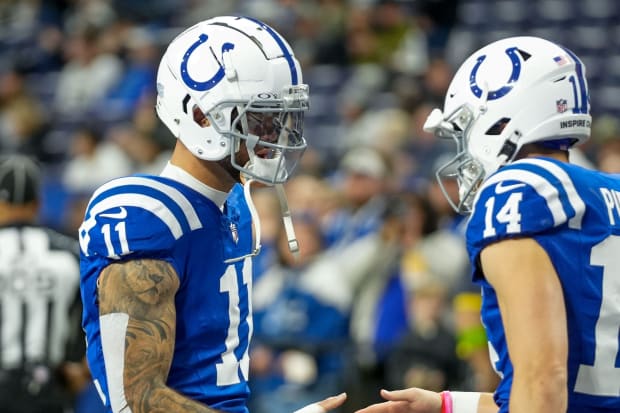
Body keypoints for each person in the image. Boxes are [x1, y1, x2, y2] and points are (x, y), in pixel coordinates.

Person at [78, 16, 346, 413]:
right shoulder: (147, 217)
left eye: (280, 119)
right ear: (201, 115)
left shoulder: (236, 205)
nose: (273, 136)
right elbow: (135, 399)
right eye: (260, 119)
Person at [356, 36, 620, 413]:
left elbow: (544, 383)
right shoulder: (609, 191)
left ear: (502, 121)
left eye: (463, 131)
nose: (462, 150)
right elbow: (571, 392)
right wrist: (446, 405)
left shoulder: (517, 190)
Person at [0, 155, 84, 412]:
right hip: (50, 387)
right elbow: (92, 320)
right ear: (38, 202)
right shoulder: (69, 252)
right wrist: (81, 369)